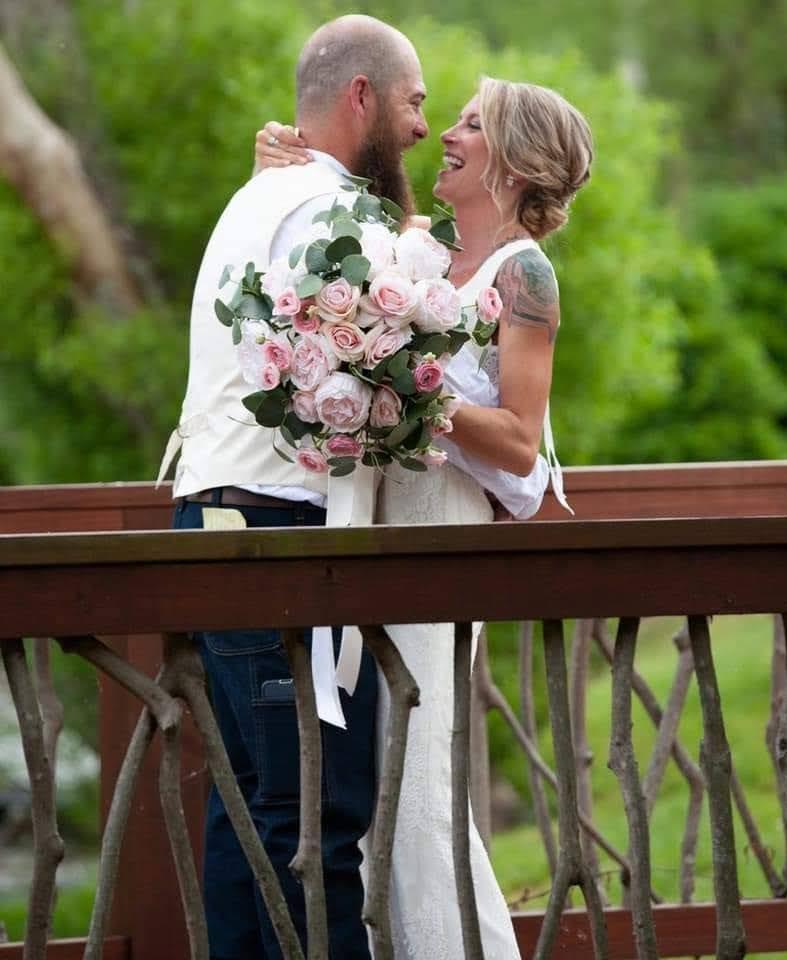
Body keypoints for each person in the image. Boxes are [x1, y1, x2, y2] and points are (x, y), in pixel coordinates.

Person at [255, 77, 593, 958]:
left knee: (417, 784)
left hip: (442, 528)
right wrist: (284, 156)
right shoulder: (427, 253)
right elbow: (355, 192)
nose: (447, 133)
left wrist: (410, 384)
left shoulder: (524, 273)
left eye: (472, 125)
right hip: (375, 523)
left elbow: (518, 442)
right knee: (374, 780)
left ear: (515, 161)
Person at [160, 15, 428, 960]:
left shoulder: (263, 194)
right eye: (413, 102)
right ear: (362, 97)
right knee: (313, 816)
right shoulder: (331, 217)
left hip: (215, 516)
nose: (421, 127)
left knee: (252, 811)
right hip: (273, 537)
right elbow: (358, 387)